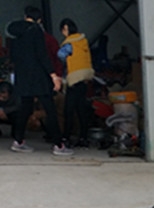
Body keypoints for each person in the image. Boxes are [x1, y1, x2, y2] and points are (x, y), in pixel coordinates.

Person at [5, 6, 73, 155]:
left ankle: (18, 141)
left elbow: (13, 57)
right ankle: (59, 145)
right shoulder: (36, 31)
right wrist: (54, 75)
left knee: (25, 109)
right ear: (40, 19)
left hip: (23, 78)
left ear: (25, 17)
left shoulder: (14, 34)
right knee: (50, 109)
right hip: (38, 78)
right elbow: (43, 55)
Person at [58, 18, 94, 146]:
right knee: (81, 110)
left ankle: (65, 137)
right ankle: (83, 137)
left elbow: (60, 55)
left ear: (65, 30)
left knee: (69, 110)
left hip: (74, 79)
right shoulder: (83, 41)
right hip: (85, 79)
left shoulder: (69, 44)